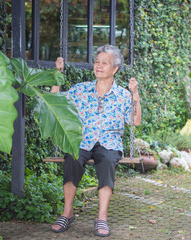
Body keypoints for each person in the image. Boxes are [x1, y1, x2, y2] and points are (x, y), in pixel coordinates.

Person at [50, 45, 141, 237]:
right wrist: (57, 75)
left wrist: (135, 94)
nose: (99, 66)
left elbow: (135, 121)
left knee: (107, 162)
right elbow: (55, 102)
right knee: (73, 158)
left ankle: (102, 218)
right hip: (83, 140)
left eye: (104, 63)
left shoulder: (123, 95)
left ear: (115, 69)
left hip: (109, 143)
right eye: (97, 62)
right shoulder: (80, 90)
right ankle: (67, 213)